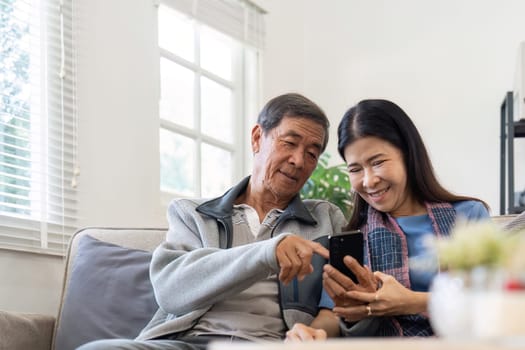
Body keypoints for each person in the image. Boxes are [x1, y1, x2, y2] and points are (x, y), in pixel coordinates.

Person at [77, 93, 347, 350]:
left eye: (312, 154)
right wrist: (267, 252)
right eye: (289, 143)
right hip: (188, 344)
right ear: (256, 138)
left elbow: (339, 302)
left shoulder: (324, 219)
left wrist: (316, 334)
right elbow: (171, 290)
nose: (298, 161)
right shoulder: (193, 214)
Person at [286, 98, 490, 340]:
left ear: (408, 154)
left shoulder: (468, 216)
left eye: (378, 162)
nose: (369, 180)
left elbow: (493, 301)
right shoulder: (353, 236)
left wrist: (411, 302)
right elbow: (334, 311)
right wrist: (314, 332)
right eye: (355, 169)